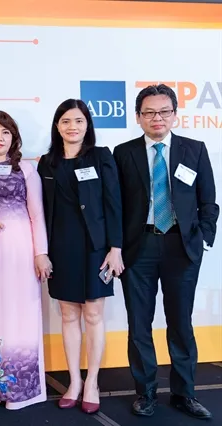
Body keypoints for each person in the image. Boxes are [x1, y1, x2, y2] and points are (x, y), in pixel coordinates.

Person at [113, 84, 218, 420]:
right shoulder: (123, 153)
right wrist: (116, 247)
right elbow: (116, 205)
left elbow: (208, 200)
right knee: (139, 325)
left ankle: (184, 394)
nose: (156, 118)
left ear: (174, 114)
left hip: (181, 247)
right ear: (138, 117)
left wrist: (203, 238)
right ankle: (145, 393)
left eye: (163, 111)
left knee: (181, 323)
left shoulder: (194, 150)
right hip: (138, 247)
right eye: (149, 112)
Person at [37, 99, 124, 414]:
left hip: (96, 248)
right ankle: (74, 381)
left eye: (78, 121)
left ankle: (92, 382)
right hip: (61, 248)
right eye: (66, 121)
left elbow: (114, 202)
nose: (72, 127)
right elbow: (40, 209)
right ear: (57, 126)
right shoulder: (47, 163)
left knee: (94, 315)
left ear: (87, 125)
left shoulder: (101, 156)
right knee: (69, 315)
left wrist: (116, 247)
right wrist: (41, 251)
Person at [0, 110, 51, 410]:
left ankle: (20, 390)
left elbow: (37, 214)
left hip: (21, 253)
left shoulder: (26, 169)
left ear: (13, 137)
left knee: (20, 314)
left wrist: (41, 254)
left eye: (5, 132)